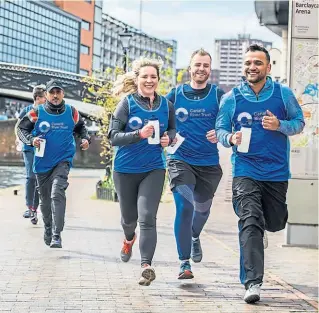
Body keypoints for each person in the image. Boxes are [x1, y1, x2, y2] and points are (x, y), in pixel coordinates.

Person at [216, 44, 305, 304]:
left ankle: (264, 226)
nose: (252, 67)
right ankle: (253, 282)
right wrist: (230, 137)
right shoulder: (231, 98)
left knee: (274, 221)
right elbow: (220, 130)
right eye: (248, 63)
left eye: (257, 63)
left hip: (276, 172)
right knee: (249, 220)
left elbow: (299, 123)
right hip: (245, 169)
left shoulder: (282, 94)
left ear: (268, 67)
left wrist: (280, 125)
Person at [108, 57, 176, 286]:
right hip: (125, 170)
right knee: (130, 219)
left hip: (154, 168)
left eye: (153, 77)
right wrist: (139, 134)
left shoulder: (166, 105)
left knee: (147, 217)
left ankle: (146, 265)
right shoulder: (127, 104)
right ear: (137, 79)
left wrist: (169, 138)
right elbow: (113, 137)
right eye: (145, 76)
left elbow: (173, 129)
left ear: (158, 80)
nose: (149, 80)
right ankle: (128, 238)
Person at [166, 49, 224, 280]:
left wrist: (220, 133)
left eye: (206, 65)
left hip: (209, 164)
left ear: (210, 69)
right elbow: (160, 118)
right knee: (185, 206)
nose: (201, 69)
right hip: (180, 159)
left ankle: (194, 236)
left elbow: (229, 123)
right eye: (197, 65)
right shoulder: (175, 94)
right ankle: (184, 262)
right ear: (189, 68)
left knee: (202, 209)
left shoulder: (219, 95)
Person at [17, 79, 90, 248]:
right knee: (45, 201)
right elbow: (21, 129)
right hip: (42, 163)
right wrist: (31, 140)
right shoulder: (37, 112)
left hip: (63, 160)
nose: (55, 96)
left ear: (63, 93)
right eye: (52, 93)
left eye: (58, 92)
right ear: (46, 95)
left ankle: (57, 234)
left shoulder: (72, 112)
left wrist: (86, 139)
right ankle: (48, 229)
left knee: (57, 193)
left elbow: (81, 127)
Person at [15, 85, 46, 224]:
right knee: (31, 176)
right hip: (28, 148)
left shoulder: (46, 111)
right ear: (38, 98)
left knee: (39, 178)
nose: (47, 99)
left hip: (42, 149)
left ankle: (35, 208)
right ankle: (29, 207)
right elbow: (18, 128)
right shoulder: (26, 111)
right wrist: (20, 141)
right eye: (45, 97)